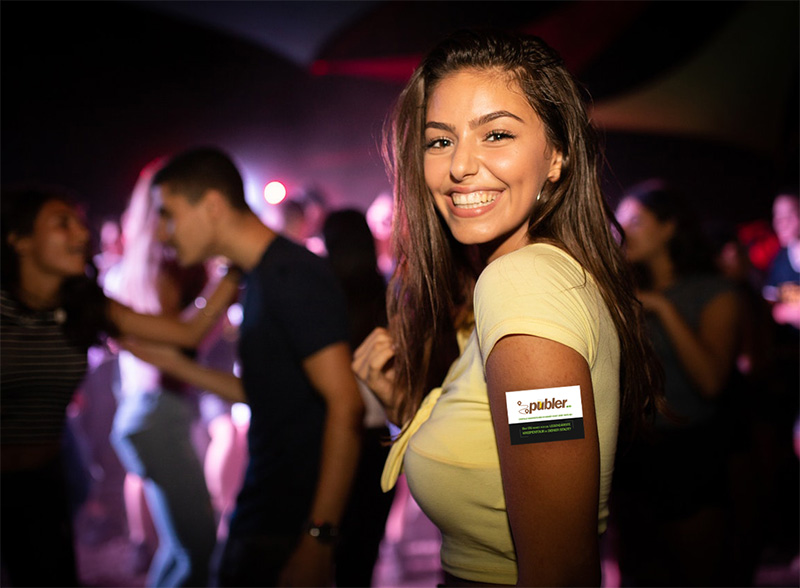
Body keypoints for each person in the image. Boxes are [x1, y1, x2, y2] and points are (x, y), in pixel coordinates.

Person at [352, 29, 664, 587]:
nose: (460, 166)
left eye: (496, 134)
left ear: (556, 155)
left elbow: (560, 569)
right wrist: (408, 406)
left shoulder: (522, 283)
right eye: (439, 141)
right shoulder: (531, 277)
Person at [122, 146, 364, 587]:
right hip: (265, 506)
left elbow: (346, 406)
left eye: (168, 214)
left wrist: (318, 538)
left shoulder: (292, 274)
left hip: (288, 520)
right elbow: (269, 392)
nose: (161, 232)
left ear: (212, 205)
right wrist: (168, 362)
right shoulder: (258, 274)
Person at [0, 183, 240, 587]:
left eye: (80, 223)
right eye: (63, 224)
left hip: (46, 480)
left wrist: (233, 272)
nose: (82, 233)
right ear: (20, 240)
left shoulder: (84, 306)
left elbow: (185, 334)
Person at [612, 180, 742, 586]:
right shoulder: (622, 292)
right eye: (621, 222)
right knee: (638, 573)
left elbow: (711, 381)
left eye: (636, 221)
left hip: (690, 451)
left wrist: (662, 308)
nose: (624, 231)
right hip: (631, 451)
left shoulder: (714, 292)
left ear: (669, 227)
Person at [106, 160, 218, 587]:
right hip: (159, 413)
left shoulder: (133, 263)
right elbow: (183, 339)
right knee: (199, 549)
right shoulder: (164, 265)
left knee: (181, 548)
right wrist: (225, 283)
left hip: (143, 411)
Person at [321, 208, 396, 587]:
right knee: (364, 550)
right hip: (380, 432)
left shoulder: (320, 298)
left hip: (331, 433)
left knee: (327, 544)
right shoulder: (388, 295)